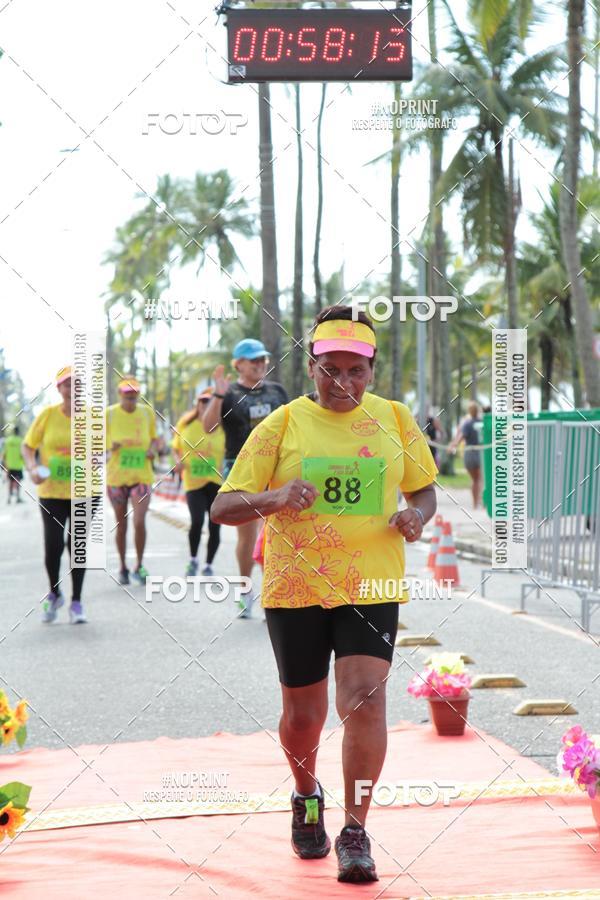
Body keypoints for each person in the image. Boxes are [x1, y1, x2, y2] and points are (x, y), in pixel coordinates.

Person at [211, 306, 437, 884]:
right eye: (330, 369)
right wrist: (276, 497)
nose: (343, 382)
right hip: (297, 586)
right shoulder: (282, 423)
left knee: (365, 699)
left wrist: (416, 515)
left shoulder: (395, 418)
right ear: (311, 367)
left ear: (372, 369)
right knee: (304, 715)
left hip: (371, 583)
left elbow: (424, 490)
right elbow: (223, 507)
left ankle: (355, 829)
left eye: (355, 370)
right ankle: (306, 793)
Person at [203, 338, 288, 617]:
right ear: (238, 364)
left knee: (274, 533)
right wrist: (218, 395)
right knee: (248, 535)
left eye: (262, 359)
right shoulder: (228, 394)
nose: (259, 364)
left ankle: (273, 593)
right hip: (240, 469)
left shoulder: (277, 392)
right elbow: (208, 427)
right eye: (253, 360)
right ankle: (245, 589)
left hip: (276, 468)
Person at [21, 367, 89, 624]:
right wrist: (32, 468)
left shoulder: (93, 417)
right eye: (67, 384)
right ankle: (54, 593)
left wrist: (98, 458)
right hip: (51, 491)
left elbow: (104, 450)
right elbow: (28, 446)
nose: (72, 389)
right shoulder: (47, 415)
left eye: (77, 384)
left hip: (84, 492)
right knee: (53, 545)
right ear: (59, 389)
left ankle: (77, 602)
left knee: (77, 544)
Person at [106, 375, 159, 585]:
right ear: (120, 394)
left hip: (141, 476)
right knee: (121, 525)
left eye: (134, 395)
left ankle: (139, 564)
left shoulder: (147, 413)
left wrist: (152, 450)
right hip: (117, 477)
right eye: (127, 395)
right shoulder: (109, 414)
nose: (131, 399)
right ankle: (122, 566)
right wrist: (110, 446)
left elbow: (154, 439)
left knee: (139, 521)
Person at [172, 388, 225, 577]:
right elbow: (175, 448)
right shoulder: (186, 423)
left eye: (210, 401)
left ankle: (208, 564)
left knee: (214, 523)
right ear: (198, 403)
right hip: (193, 482)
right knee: (197, 521)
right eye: (203, 401)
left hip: (216, 482)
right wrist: (177, 462)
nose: (206, 405)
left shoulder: (223, 425)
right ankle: (193, 559)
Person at [449, 401, 483, 509]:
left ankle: (475, 503)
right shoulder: (482, 422)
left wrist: (452, 446)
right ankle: (479, 502)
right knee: (479, 479)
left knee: (474, 480)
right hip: (480, 452)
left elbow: (460, 437)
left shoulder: (467, 424)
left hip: (469, 454)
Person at [3, 425, 25, 504]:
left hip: (10, 465)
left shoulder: (8, 440)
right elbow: (22, 454)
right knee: (18, 481)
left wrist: (5, 464)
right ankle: (18, 498)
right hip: (18, 465)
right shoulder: (20, 441)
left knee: (10, 481)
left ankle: (9, 498)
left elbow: (4, 453)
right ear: (18, 432)